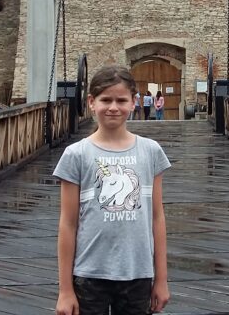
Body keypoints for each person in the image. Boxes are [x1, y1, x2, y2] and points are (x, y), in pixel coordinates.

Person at [54, 65, 171, 315]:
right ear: (91, 102)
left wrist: (161, 279)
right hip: (89, 273)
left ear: (134, 102)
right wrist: (65, 290)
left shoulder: (151, 151)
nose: (113, 107)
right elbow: (68, 224)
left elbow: (157, 218)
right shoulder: (76, 155)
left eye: (121, 100)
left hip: (137, 273)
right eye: (106, 100)